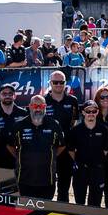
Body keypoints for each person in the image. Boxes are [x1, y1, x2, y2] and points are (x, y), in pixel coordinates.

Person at [10, 94, 63, 198]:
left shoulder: (54, 124)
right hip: (24, 179)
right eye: (35, 106)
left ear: (45, 107)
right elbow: (10, 146)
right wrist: (21, 156)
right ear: (29, 106)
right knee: (25, 211)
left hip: (47, 180)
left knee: (45, 212)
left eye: (41, 106)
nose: (38, 109)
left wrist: (49, 156)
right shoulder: (19, 125)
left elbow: (61, 146)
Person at [43, 71, 79, 202]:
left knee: (64, 188)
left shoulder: (72, 101)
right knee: (48, 187)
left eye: (61, 82)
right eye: (55, 82)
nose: (58, 85)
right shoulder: (44, 101)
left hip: (66, 149)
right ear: (50, 83)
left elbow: (74, 122)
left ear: (65, 83)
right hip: (48, 150)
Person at [67, 101, 108, 207]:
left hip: (97, 171)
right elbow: (71, 150)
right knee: (80, 202)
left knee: (95, 204)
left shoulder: (103, 129)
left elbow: (105, 150)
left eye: (93, 111)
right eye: (88, 111)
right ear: (83, 112)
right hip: (80, 171)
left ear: (97, 112)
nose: (91, 113)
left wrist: (96, 160)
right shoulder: (76, 130)